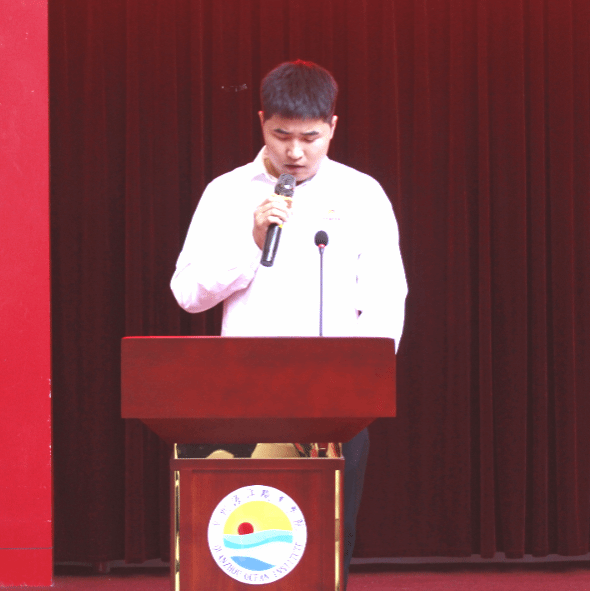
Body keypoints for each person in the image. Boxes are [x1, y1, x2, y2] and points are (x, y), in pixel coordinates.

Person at [171, 60, 407, 589]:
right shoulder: (226, 192)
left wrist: (356, 386)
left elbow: (386, 300)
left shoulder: (362, 194)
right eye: (281, 136)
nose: (295, 153)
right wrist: (250, 244)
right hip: (243, 397)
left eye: (310, 137)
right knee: (248, 541)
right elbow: (187, 294)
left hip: (336, 401)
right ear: (262, 122)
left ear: (332, 127)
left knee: (326, 542)